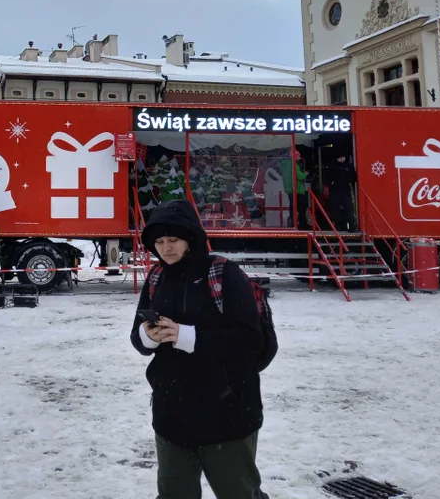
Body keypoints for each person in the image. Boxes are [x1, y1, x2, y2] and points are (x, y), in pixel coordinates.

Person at [130, 200, 268, 499]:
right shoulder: (156, 278)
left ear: (191, 238)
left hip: (226, 416)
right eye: (159, 241)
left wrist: (185, 336)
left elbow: (249, 341)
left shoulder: (225, 274)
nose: (166, 248)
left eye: (174, 240)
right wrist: (149, 335)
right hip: (171, 418)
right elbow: (137, 339)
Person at [326, 153, 357, 232]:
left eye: (343, 156)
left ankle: (352, 226)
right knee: (335, 209)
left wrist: (350, 182)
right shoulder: (332, 166)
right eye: (340, 157)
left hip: (346, 190)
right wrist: (331, 184)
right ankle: (337, 226)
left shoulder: (349, 166)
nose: (342, 158)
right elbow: (327, 177)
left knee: (348, 208)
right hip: (335, 191)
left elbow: (353, 177)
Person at [280, 151, 309, 230]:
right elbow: (299, 176)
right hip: (297, 190)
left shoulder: (286, 165)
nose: (300, 157)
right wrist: (305, 174)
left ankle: (293, 223)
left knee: (293, 208)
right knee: (301, 208)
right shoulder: (294, 165)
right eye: (298, 155)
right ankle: (302, 224)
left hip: (290, 189)